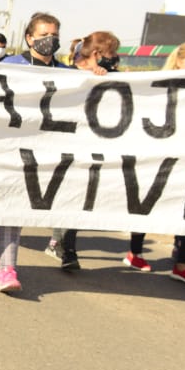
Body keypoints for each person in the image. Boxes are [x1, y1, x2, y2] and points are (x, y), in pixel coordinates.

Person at [0, 12, 71, 293]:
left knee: (23, 206)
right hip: (12, 149)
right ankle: (7, 271)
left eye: (55, 35)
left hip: (46, 152)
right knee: (13, 207)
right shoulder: (10, 65)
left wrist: (99, 77)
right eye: (44, 34)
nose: (51, 40)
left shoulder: (67, 73)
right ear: (29, 38)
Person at [124, 41, 185, 285]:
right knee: (148, 206)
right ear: (179, 61)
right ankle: (135, 253)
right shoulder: (159, 86)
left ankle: (182, 264)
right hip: (160, 157)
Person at [43, 30, 121, 271]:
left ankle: (65, 246)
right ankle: (58, 243)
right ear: (97, 54)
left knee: (77, 197)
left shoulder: (110, 77)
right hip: (59, 145)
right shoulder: (67, 74)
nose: (115, 58)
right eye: (112, 53)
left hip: (88, 149)